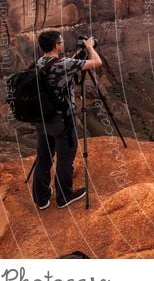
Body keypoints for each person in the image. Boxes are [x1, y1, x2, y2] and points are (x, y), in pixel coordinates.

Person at [32, 30, 102, 209]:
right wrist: (89, 47)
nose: (63, 43)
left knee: (44, 157)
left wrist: (76, 57)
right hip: (62, 120)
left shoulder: (39, 62)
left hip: (41, 118)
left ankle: (41, 198)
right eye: (61, 41)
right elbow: (97, 62)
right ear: (57, 45)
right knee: (65, 156)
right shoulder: (65, 63)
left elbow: (61, 66)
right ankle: (64, 196)